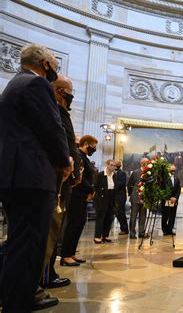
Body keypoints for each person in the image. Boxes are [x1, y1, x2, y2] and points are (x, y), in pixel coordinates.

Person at [0, 44, 71, 311]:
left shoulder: (15, 83)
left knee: (20, 240)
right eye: (54, 64)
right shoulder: (36, 85)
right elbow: (51, 129)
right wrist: (65, 161)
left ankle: (15, 295)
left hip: (15, 176)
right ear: (44, 63)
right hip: (31, 178)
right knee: (29, 242)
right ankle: (18, 301)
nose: (55, 69)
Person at [40, 75, 80, 290]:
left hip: (63, 179)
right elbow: (60, 141)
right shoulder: (53, 109)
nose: (72, 96)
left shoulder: (60, 110)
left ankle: (48, 272)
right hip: (56, 178)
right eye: (69, 91)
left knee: (55, 228)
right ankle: (44, 275)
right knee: (50, 228)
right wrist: (67, 164)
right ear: (60, 91)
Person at [61, 135, 97, 266]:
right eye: (93, 147)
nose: (94, 149)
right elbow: (79, 176)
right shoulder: (78, 156)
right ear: (86, 144)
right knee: (73, 225)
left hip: (82, 195)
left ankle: (71, 252)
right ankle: (65, 255)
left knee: (79, 224)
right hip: (76, 194)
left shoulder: (84, 157)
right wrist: (91, 189)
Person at [93, 159, 116, 244]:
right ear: (107, 164)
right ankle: (97, 237)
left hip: (111, 197)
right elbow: (95, 187)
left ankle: (105, 236)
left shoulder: (114, 175)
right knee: (100, 218)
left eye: (114, 165)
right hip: (101, 198)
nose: (112, 166)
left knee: (109, 218)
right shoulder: (101, 175)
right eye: (111, 164)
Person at [127, 158, 149, 239]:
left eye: (147, 162)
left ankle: (141, 232)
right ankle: (132, 233)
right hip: (135, 197)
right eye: (144, 162)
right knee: (133, 216)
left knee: (143, 217)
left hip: (145, 198)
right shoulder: (135, 172)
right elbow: (129, 184)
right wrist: (131, 194)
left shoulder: (149, 173)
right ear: (141, 163)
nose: (146, 163)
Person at [162, 165, 181, 236]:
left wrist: (175, 198)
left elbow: (179, 189)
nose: (173, 171)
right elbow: (163, 189)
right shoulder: (164, 178)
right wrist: (170, 198)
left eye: (174, 170)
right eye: (172, 170)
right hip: (167, 199)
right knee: (165, 215)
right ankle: (165, 230)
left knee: (172, 216)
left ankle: (170, 230)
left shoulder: (177, 178)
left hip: (174, 200)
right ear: (168, 170)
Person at [113, 160, 129, 235]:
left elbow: (121, 184)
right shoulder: (112, 173)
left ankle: (125, 229)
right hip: (114, 195)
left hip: (120, 196)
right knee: (117, 212)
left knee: (121, 212)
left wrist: (112, 186)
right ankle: (123, 228)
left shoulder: (122, 173)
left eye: (115, 164)